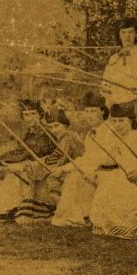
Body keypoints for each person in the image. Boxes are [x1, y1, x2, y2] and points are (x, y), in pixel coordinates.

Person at [88, 102, 137, 239]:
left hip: (136, 178)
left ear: (130, 121)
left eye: (121, 121)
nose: (118, 125)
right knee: (106, 190)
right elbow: (106, 160)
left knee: (119, 193)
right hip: (118, 175)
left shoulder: (136, 138)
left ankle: (125, 227)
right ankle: (113, 226)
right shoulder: (113, 139)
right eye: (114, 121)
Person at [0, 100, 54, 221]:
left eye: (33, 114)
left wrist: (7, 160)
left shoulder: (45, 132)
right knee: (13, 173)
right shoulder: (29, 133)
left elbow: (32, 153)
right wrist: (4, 159)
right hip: (31, 166)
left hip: (44, 169)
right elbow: (21, 151)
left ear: (39, 115)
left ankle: (7, 209)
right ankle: (5, 208)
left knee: (16, 173)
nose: (30, 118)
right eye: (26, 114)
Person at [13, 108, 85, 225]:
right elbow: (54, 158)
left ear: (65, 125)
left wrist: (27, 166)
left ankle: (53, 212)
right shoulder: (61, 138)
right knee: (43, 178)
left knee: (48, 179)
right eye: (51, 127)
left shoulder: (69, 137)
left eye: (57, 126)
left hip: (78, 169)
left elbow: (56, 159)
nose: (54, 130)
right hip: (67, 168)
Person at [51, 92, 109, 228]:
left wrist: (67, 168)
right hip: (93, 168)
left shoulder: (109, 131)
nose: (90, 115)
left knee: (76, 176)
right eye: (87, 111)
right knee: (74, 175)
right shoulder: (90, 133)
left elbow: (98, 159)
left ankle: (79, 216)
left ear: (102, 111)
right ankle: (76, 215)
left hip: (106, 170)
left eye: (94, 111)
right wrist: (64, 168)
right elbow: (86, 158)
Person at [102, 16, 137, 128]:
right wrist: (109, 102)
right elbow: (105, 84)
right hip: (115, 106)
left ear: (136, 34)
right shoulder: (114, 58)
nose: (127, 36)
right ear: (119, 35)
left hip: (134, 105)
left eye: (131, 32)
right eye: (123, 32)